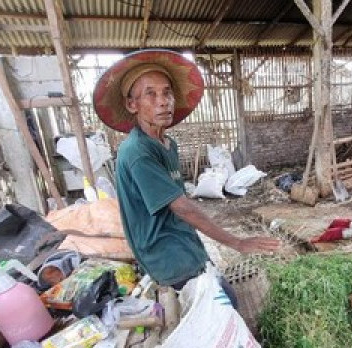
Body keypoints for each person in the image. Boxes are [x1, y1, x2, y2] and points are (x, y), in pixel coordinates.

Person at [92, 49, 280, 298]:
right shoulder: (137, 152)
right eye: (151, 94)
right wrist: (237, 242)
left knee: (220, 292)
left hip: (182, 238)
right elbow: (183, 207)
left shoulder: (167, 144)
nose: (163, 101)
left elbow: (181, 207)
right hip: (162, 251)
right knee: (225, 300)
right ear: (132, 104)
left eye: (167, 92)